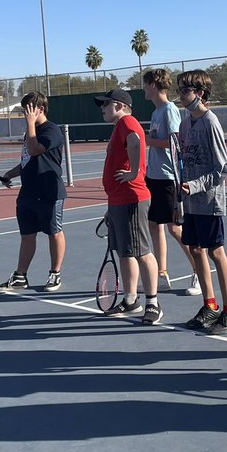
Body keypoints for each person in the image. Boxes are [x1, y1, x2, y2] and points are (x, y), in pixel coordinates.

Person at [175, 69, 227, 334]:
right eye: (179, 90)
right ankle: (210, 305)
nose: (180, 95)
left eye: (185, 90)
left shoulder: (210, 122)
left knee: (216, 252)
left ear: (200, 93)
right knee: (195, 249)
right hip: (190, 203)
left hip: (209, 201)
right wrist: (182, 190)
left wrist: (195, 185)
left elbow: (223, 168)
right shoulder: (184, 124)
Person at [96, 88, 162, 324]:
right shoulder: (119, 126)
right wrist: (111, 204)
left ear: (119, 106)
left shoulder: (127, 122)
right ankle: (131, 300)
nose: (102, 108)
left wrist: (134, 172)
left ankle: (153, 302)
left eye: (105, 104)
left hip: (132, 199)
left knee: (142, 252)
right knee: (125, 252)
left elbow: (135, 142)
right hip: (118, 201)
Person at [142, 68, 201, 297]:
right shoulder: (156, 112)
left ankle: (198, 271)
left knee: (175, 229)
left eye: (146, 84)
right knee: (154, 225)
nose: (144, 89)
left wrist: (148, 140)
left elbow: (176, 143)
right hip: (153, 177)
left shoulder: (169, 111)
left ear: (155, 85)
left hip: (168, 177)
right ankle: (162, 274)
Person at [0, 92, 65, 292]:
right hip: (29, 192)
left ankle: (55, 273)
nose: (25, 114)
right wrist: (10, 174)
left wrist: (30, 125)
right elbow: (27, 160)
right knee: (27, 234)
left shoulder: (52, 130)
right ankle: (20, 276)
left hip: (49, 192)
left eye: (28, 110)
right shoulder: (30, 133)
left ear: (40, 109)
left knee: (54, 232)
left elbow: (36, 149)